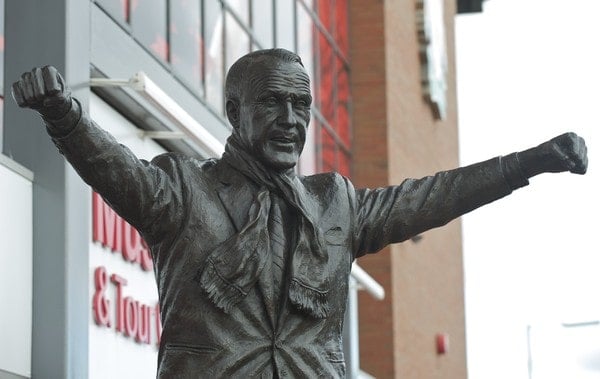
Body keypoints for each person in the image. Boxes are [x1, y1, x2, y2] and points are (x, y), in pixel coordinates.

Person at [12, 49, 587, 378]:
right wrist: (64, 116)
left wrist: (525, 164)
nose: (291, 119)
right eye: (273, 102)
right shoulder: (183, 192)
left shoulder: (332, 203)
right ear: (235, 111)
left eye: (302, 105)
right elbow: (116, 168)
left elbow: (429, 198)